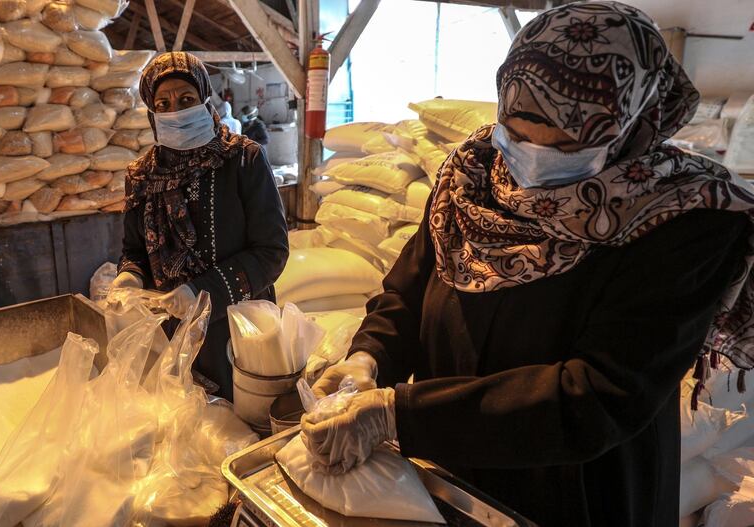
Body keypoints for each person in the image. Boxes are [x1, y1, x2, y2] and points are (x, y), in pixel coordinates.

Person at [301, 2, 754, 526]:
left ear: (626, 125)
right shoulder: (473, 175)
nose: (532, 151)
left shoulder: (683, 219)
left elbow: (599, 395)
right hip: (445, 462)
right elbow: (409, 288)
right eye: (517, 126)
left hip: (577, 486)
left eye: (564, 137)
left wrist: (397, 413)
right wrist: (368, 357)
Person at [113, 52, 288, 400]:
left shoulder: (243, 159)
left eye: (186, 99)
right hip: (173, 333)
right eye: (163, 103)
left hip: (239, 329)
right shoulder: (142, 176)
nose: (175, 110)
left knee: (244, 423)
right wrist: (129, 276)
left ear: (206, 99)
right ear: (151, 111)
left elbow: (272, 251)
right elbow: (134, 251)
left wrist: (201, 291)